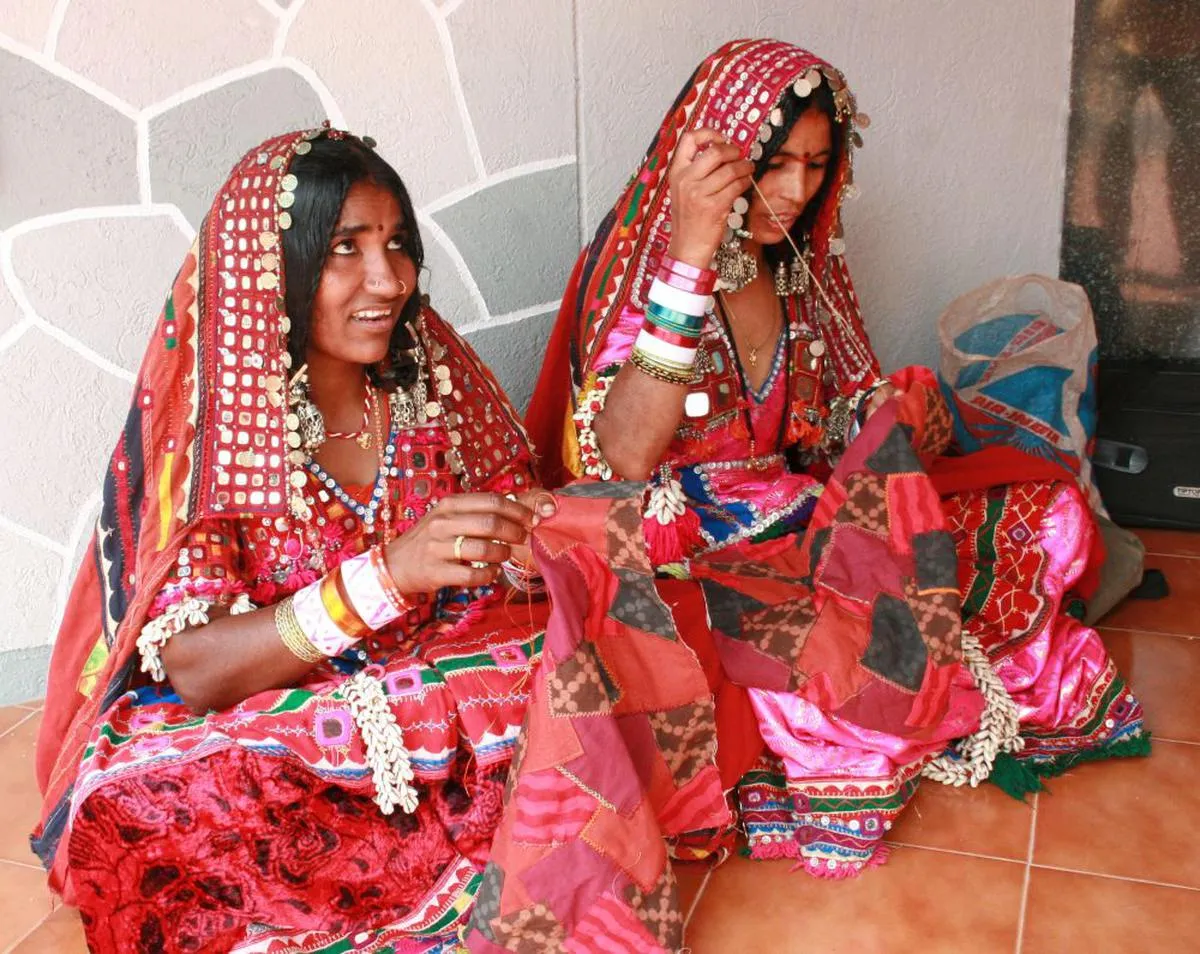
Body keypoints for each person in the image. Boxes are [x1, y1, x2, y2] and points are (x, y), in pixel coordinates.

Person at [473, 39, 1147, 952]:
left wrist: (894, 424)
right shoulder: (649, 268)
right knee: (826, 631)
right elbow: (621, 457)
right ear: (711, 164)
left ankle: (885, 642)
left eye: (816, 165)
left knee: (1045, 511)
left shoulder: (798, 266)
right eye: (772, 165)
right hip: (693, 546)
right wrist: (693, 256)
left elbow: (844, 425)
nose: (792, 191)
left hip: (804, 516)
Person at [32, 126, 554, 953]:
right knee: (136, 799)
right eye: (345, 248)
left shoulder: (430, 373)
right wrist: (385, 577)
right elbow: (197, 671)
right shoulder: (222, 424)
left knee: (583, 664)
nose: (387, 280)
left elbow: (522, 520)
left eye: (397, 245)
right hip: (291, 714)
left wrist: (517, 541)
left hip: (439, 675)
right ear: (270, 270)